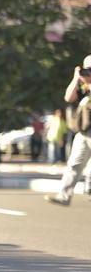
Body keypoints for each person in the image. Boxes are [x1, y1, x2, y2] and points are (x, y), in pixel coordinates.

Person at [47, 56, 91, 206]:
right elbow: (68, 97)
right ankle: (64, 196)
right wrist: (76, 79)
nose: (88, 72)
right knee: (74, 164)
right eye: (86, 68)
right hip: (83, 131)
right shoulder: (83, 85)